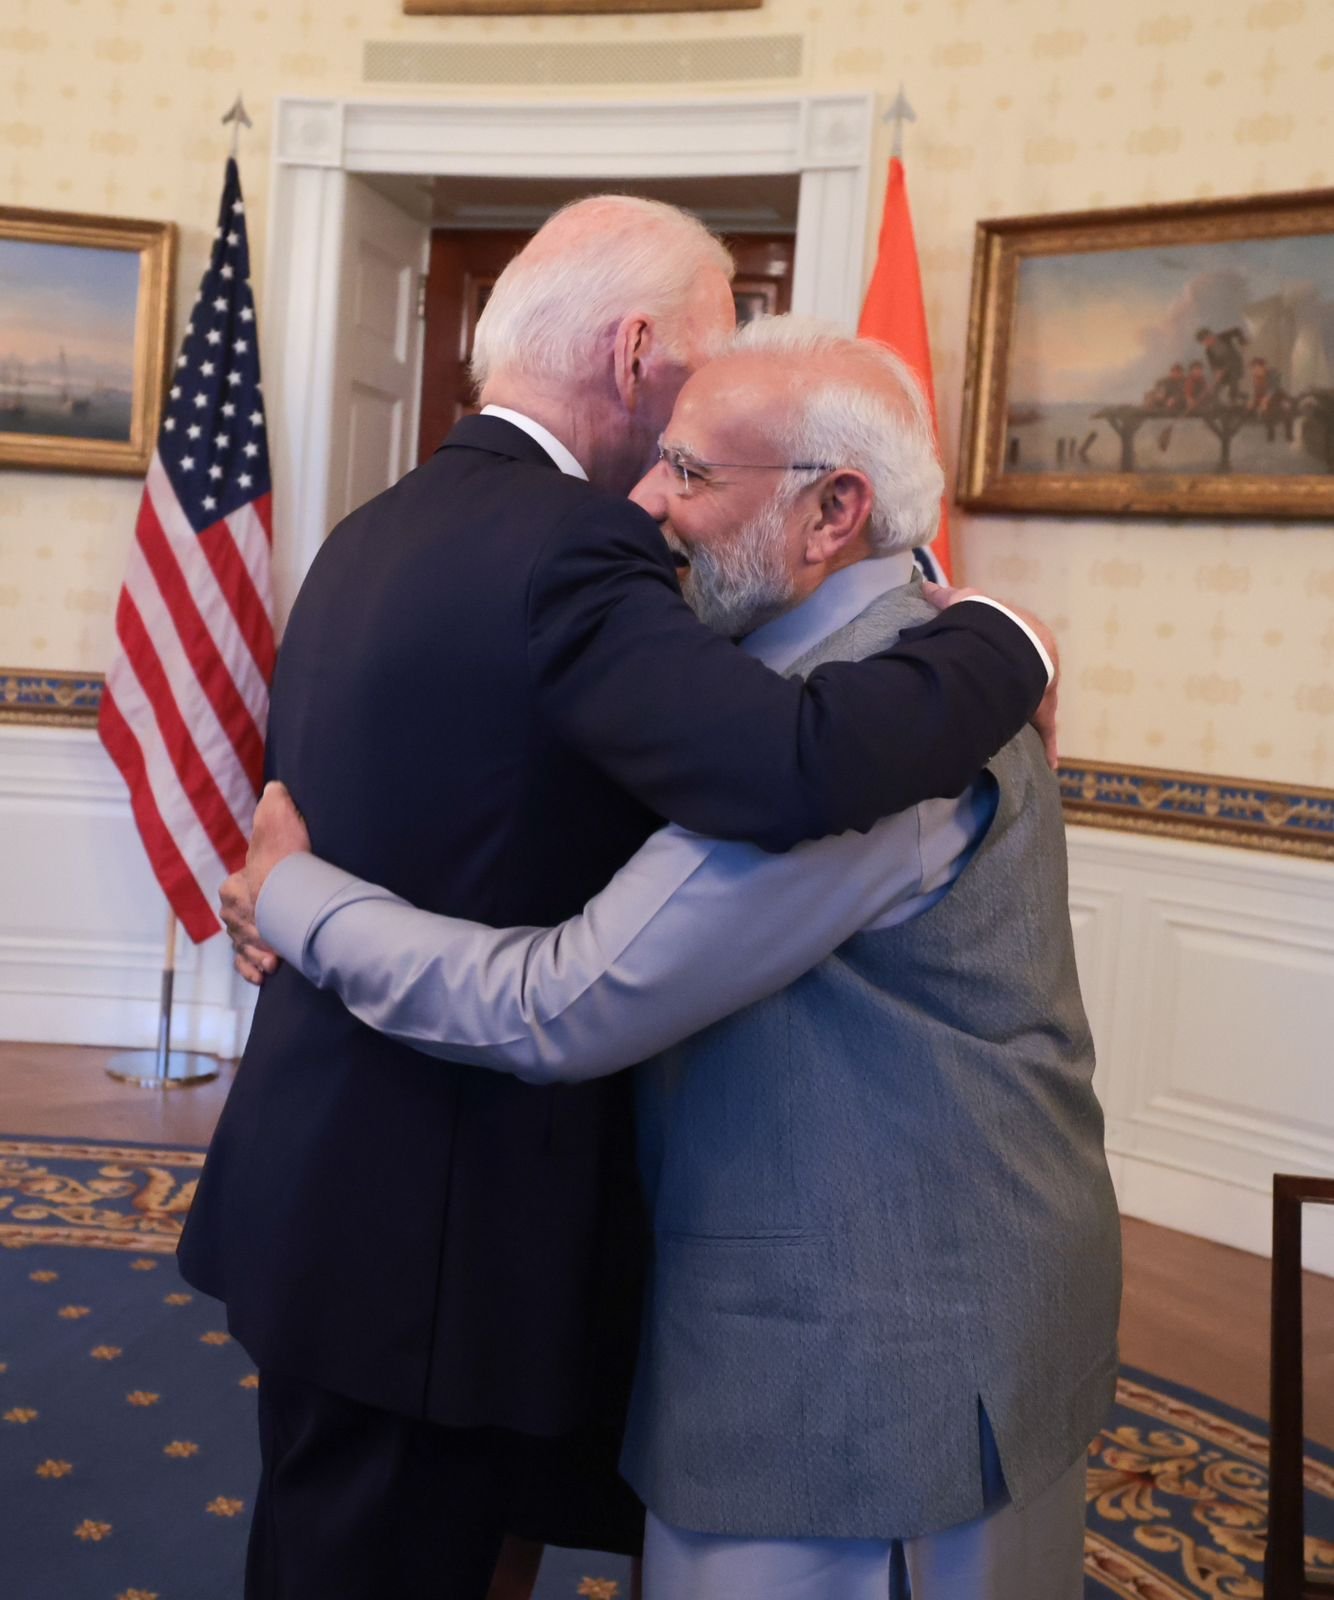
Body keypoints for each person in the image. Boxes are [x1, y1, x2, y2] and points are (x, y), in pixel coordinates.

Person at [182, 198, 1055, 1600]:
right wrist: (1004, 639)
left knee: (335, 1539)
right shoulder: (573, 548)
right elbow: (791, 768)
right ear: (638, 346)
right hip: (449, 1223)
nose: (661, 479)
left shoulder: (373, 524)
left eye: (698, 465)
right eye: (692, 397)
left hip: (332, 1169)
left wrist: (285, 897)